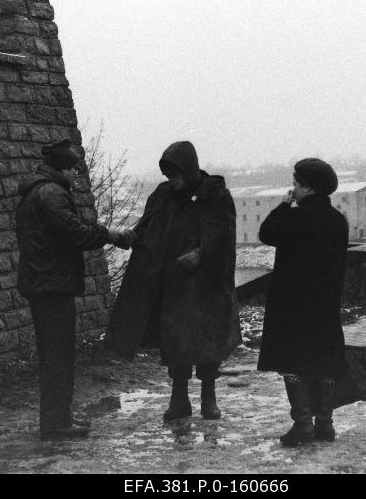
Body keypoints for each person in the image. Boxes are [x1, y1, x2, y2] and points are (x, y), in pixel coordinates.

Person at [107, 141, 241, 422]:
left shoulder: (213, 194)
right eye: (169, 175)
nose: (173, 181)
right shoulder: (163, 195)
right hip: (174, 284)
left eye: (177, 175)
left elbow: (225, 234)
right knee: (176, 343)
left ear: (189, 170)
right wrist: (133, 236)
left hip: (206, 286)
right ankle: (179, 399)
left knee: (207, 342)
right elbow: (148, 224)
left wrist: (201, 253)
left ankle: (208, 398)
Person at [15, 139, 127, 441]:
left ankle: (59, 415)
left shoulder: (37, 190)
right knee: (58, 356)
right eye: (75, 170)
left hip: (44, 282)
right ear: (64, 167)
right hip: (52, 285)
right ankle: (55, 424)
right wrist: (109, 234)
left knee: (56, 354)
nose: (77, 176)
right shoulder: (51, 193)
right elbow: (74, 233)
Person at [257, 158, 349, 447]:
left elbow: (266, 233)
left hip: (293, 305)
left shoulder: (295, 217)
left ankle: (303, 425)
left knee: (294, 364)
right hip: (325, 303)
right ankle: (325, 424)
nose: (293, 189)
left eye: (296, 184)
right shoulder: (338, 220)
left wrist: (284, 205)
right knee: (323, 362)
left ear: (308, 187)